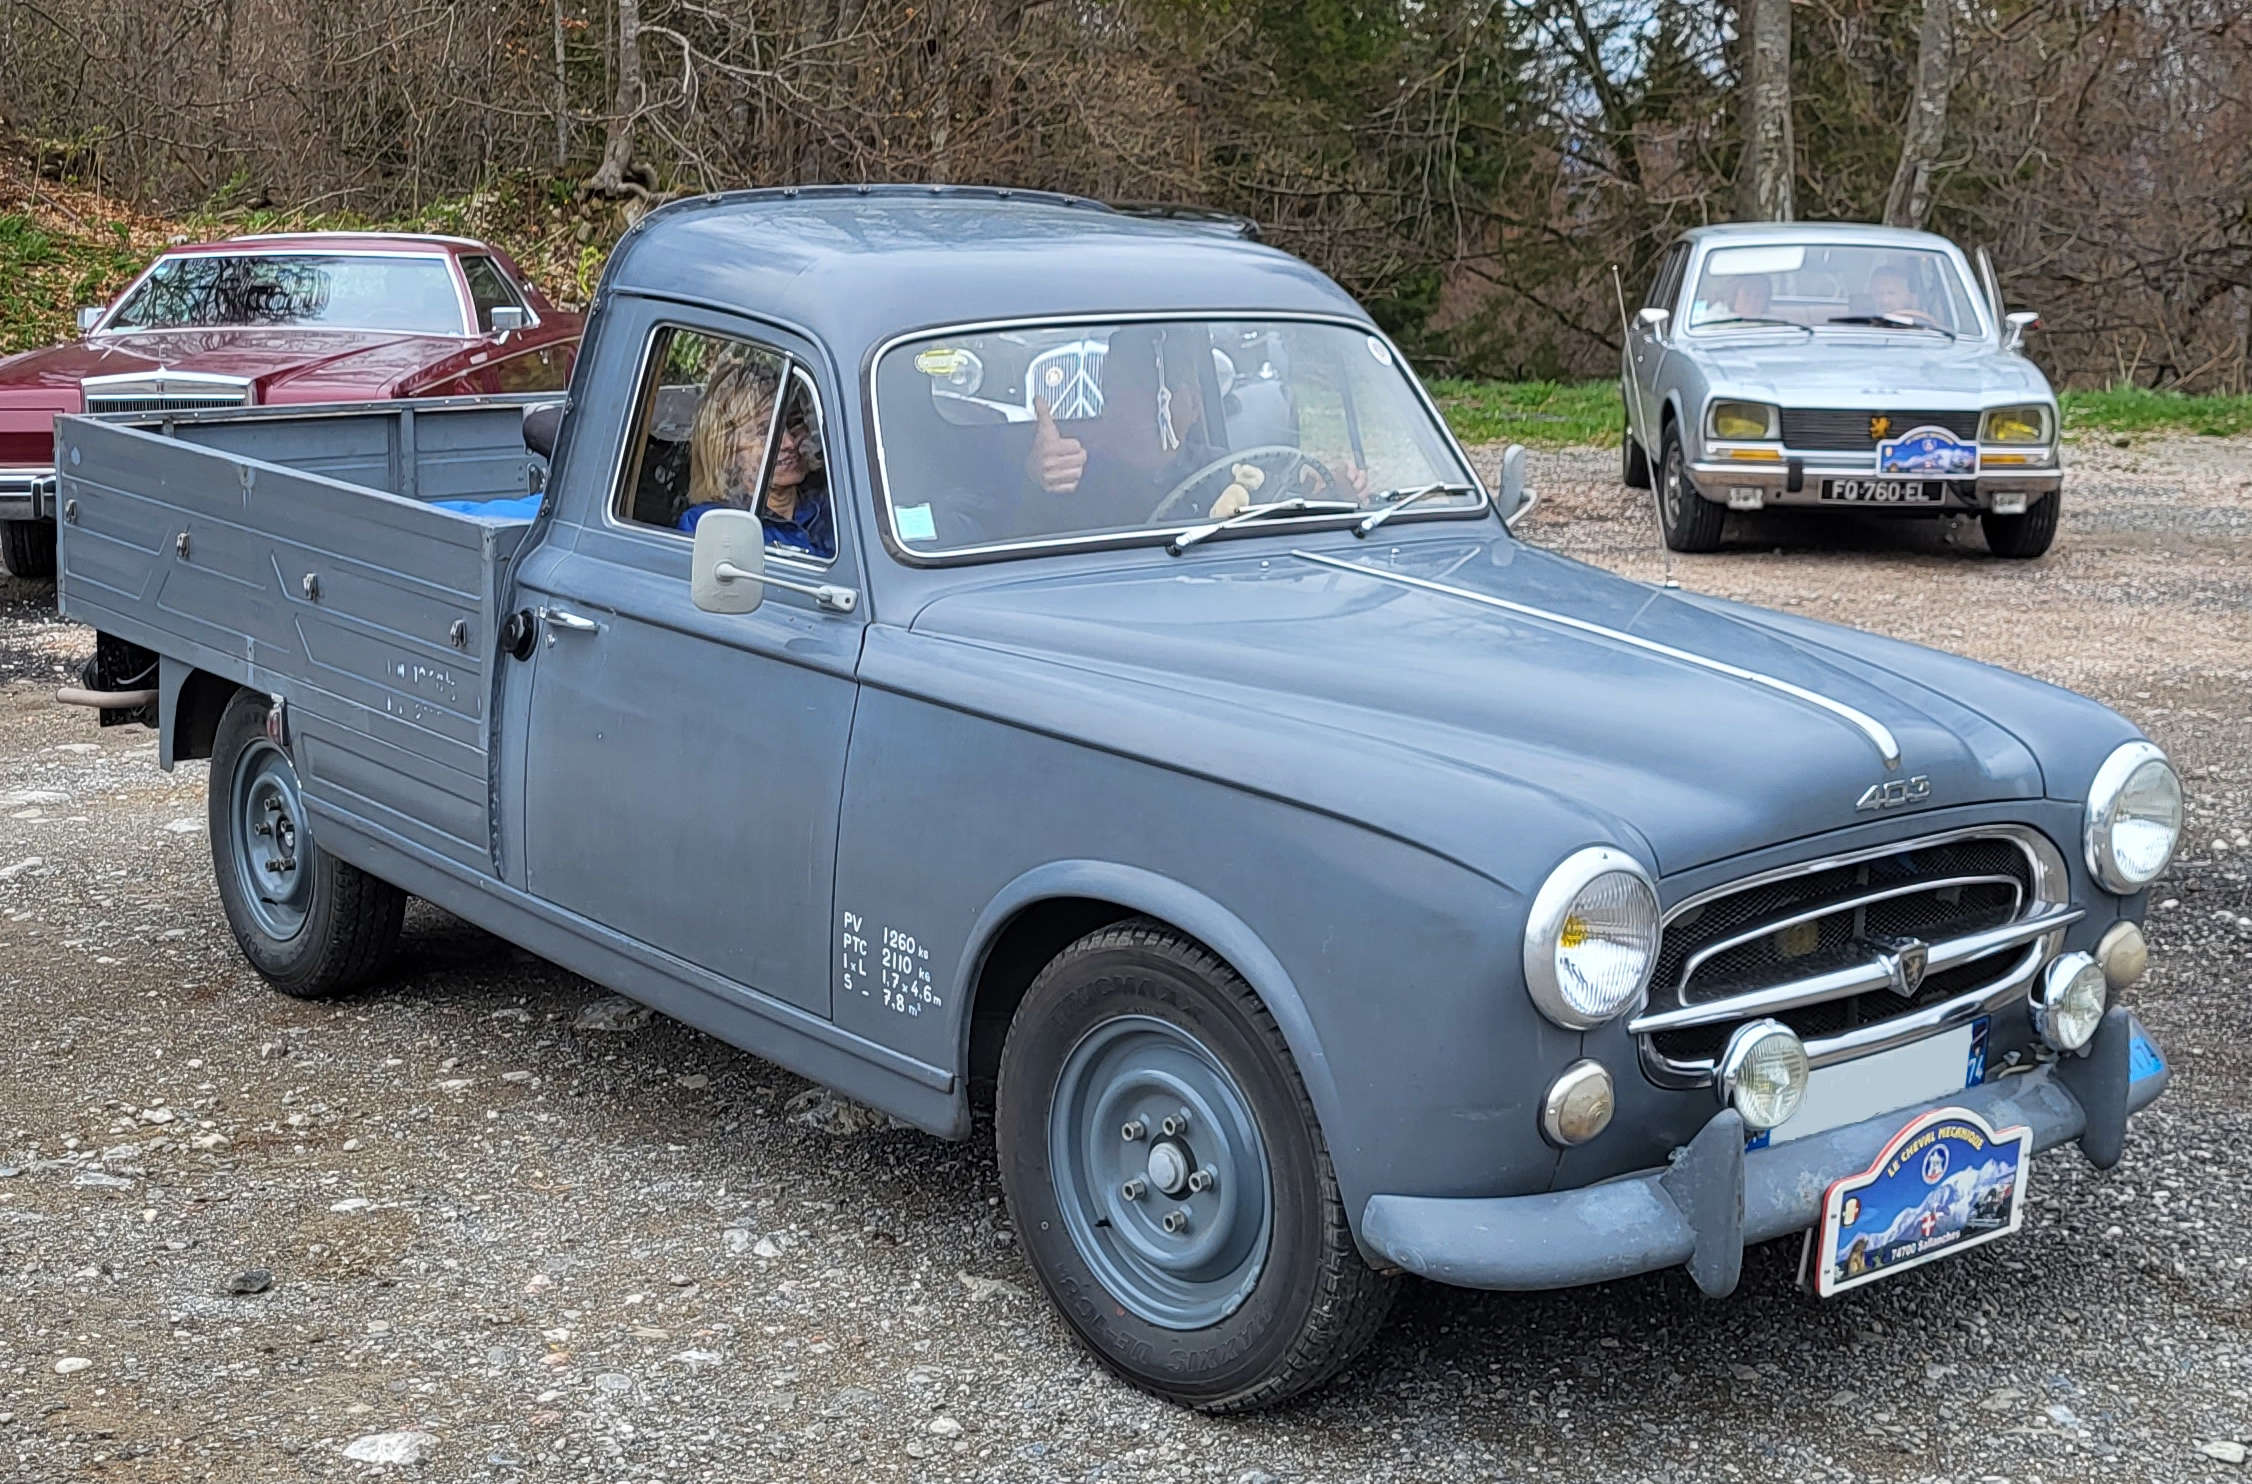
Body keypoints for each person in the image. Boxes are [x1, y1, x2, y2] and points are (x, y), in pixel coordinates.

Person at [1024, 324, 1363, 528]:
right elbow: (1020, 528)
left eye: (1161, 393)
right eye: (1124, 392)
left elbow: (1281, 507)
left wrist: (1329, 491)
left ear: (1194, 404)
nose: (1137, 410)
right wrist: (1036, 475)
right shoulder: (1075, 472)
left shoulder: (1222, 469)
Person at [680, 356, 835, 560]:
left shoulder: (835, 501)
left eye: (795, 422)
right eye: (766, 431)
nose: (789, 442)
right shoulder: (711, 527)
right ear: (727, 450)